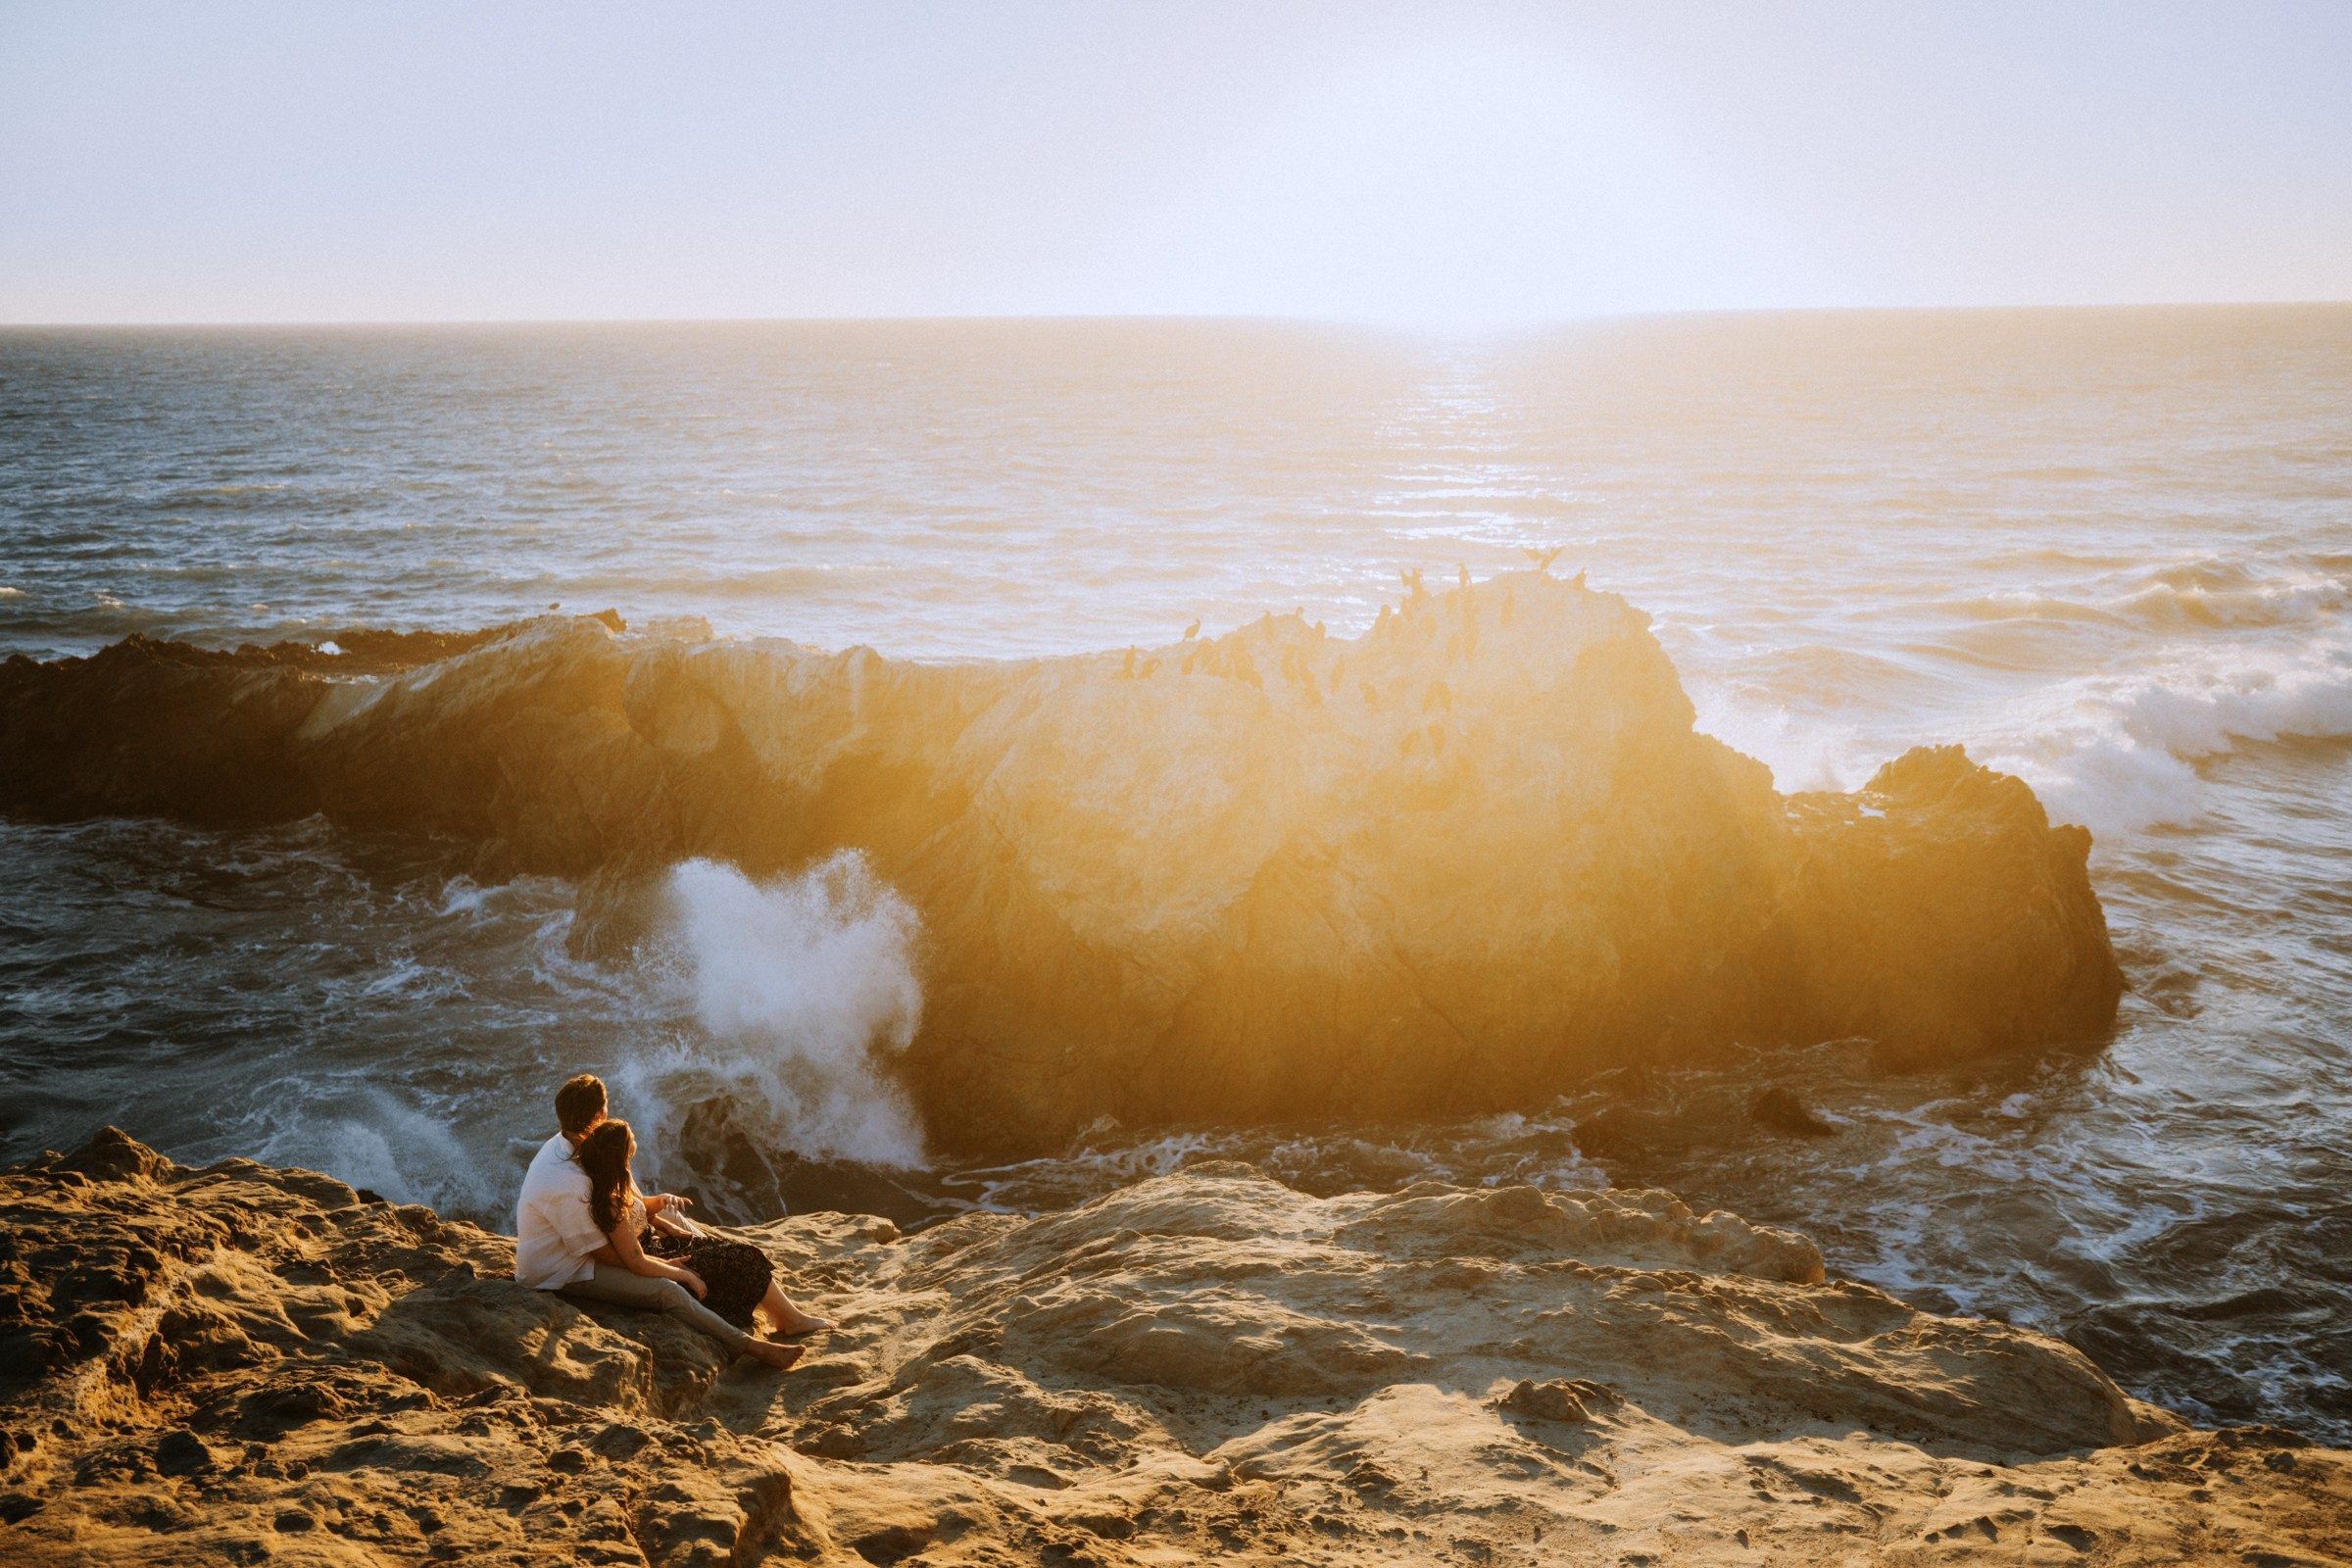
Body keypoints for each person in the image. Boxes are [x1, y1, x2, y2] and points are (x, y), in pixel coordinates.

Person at [512, 1074, 822, 1369]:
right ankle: (751, 1347)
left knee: (676, 1222)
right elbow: (604, 1253)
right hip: (566, 1268)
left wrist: (657, 1212)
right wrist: (673, 1269)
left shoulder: (590, 1144)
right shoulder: (567, 1182)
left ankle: (777, 1309)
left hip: (603, 1242)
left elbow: (625, 1205)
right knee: (666, 1289)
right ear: (597, 1115)